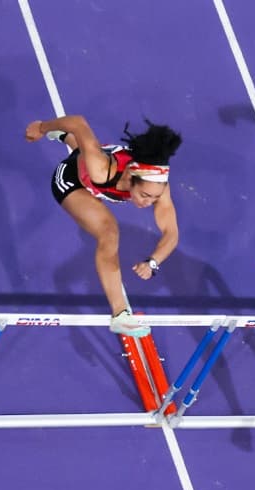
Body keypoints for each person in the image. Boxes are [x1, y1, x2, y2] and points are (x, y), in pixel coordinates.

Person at [25, 115, 183, 337]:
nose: (148, 203)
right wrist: (41, 127)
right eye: (144, 195)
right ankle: (120, 315)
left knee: (87, 150)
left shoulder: (158, 186)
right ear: (130, 177)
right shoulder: (102, 170)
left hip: (96, 161)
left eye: (154, 199)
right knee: (109, 232)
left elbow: (172, 233)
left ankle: (65, 137)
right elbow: (79, 122)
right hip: (73, 180)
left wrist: (153, 262)